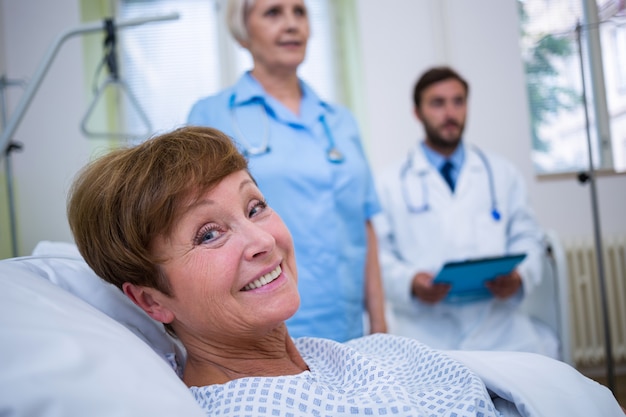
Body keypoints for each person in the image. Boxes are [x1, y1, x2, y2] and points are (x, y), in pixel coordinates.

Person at [66, 126, 625, 417]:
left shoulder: (349, 355)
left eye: (255, 206)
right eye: (208, 233)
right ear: (150, 302)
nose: (263, 241)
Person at [186, 0, 386, 342]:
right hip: (264, 326)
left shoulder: (339, 121)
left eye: (300, 12)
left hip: (350, 327)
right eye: (273, 13)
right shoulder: (212, 116)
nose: (292, 24)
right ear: (242, 32)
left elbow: (363, 225)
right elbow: (199, 235)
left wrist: (380, 326)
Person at [373, 66, 558, 357]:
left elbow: (529, 238)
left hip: (499, 328)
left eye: (458, 101)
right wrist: (410, 282)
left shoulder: (502, 173)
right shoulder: (388, 182)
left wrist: (518, 276)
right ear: (417, 112)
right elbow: (379, 256)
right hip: (426, 332)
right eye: (437, 103)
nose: (450, 113)